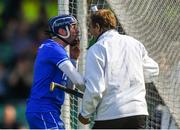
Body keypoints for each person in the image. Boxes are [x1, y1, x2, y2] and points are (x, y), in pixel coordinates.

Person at [78, 9, 159, 129]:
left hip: (110, 114)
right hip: (138, 113)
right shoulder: (134, 43)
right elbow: (153, 70)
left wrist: (85, 113)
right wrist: (129, 76)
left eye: (90, 27)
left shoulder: (97, 49)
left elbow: (95, 89)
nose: (90, 31)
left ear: (98, 27)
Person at [26, 15, 84, 129]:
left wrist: (74, 59)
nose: (77, 30)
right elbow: (79, 82)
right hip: (44, 110)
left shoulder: (54, 49)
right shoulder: (53, 49)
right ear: (62, 31)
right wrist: (96, 93)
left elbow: (69, 86)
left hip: (47, 111)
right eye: (73, 27)